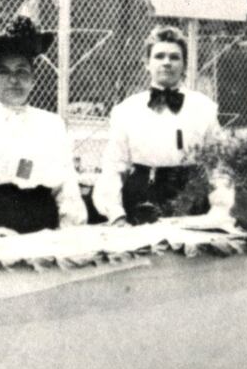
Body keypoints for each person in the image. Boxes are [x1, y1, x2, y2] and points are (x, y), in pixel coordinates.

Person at [0, 17, 87, 235]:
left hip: (46, 228)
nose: (14, 80)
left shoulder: (52, 124)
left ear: (32, 78)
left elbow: (66, 187)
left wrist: (70, 231)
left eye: (22, 71)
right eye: (4, 72)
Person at [93, 25, 221, 224]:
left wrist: (220, 211)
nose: (167, 63)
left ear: (185, 64)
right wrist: (116, 214)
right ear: (147, 63)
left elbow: (218, 168)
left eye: (174, 57)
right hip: (142, 199)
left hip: (190, 200)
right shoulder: (126, 110)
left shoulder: (204, 108)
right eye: (159, 56)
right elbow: (112, 168)